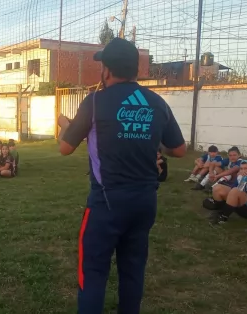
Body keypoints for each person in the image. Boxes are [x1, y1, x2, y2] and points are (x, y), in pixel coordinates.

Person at [58, 38, 186, 314]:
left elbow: (65, 148)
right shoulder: (157, 103)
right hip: (144, 203)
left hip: (106, 204)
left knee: (92, 272)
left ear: (107, 70)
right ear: (135, 69)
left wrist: (65, 126)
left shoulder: (94, 102)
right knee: (132, 270)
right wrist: (148, 139)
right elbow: (179, 149)